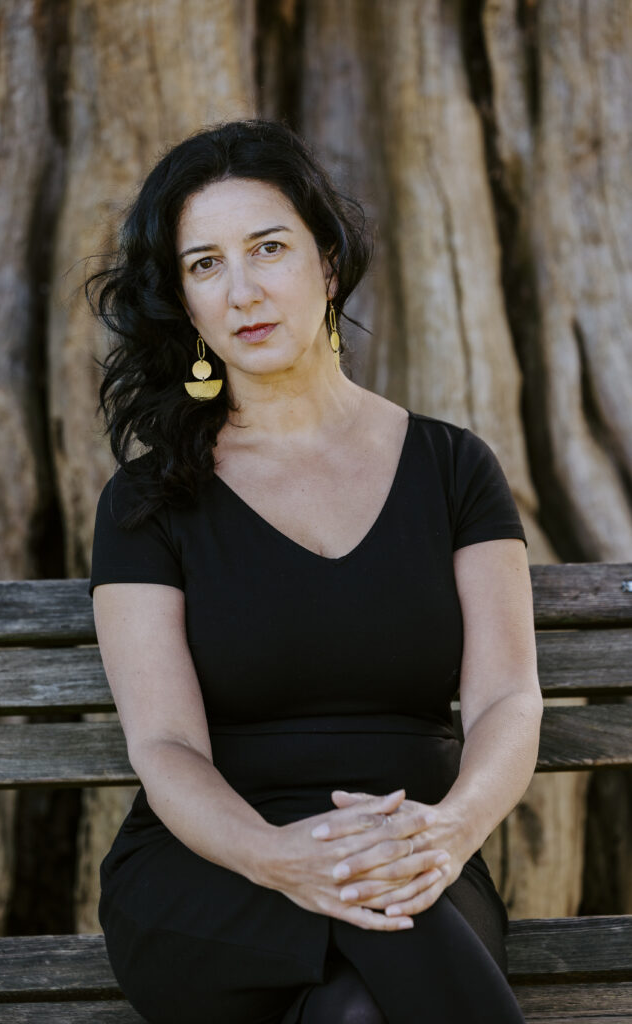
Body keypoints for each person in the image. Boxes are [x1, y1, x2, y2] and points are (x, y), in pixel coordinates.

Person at [86, 118, 542, 1024]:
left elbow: (506, 697)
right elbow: (165, 746)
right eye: (205, 264)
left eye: (268, 248)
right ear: (184, 302)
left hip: (420, 851)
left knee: (358, 1002)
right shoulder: (149, 500)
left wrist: (451, 831)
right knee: (388, 928)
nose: (243, 290)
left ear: (326, 265)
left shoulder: (452, 468)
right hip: (216, 867)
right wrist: (277, 856)